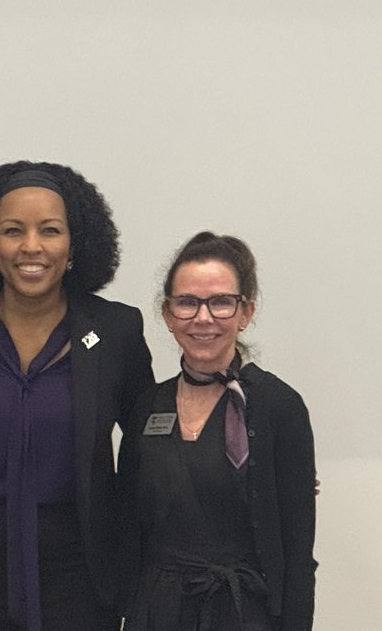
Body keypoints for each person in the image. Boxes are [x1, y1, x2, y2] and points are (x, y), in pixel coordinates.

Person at [0, 161, 155, 630]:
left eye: (50, 230)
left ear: (75, 244)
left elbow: (152, 446)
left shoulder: (116, 329)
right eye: (13, 230)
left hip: (80, 580)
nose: (31, 246)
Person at [121, 232, 317, 630]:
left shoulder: (279, 407)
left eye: (221, 302)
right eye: (187, 302)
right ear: (168, 314)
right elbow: (125, 522)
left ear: (246, 313)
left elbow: (298, 553)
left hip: (244, 613)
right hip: (157, 612)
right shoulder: (147, 406)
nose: (203, 318)